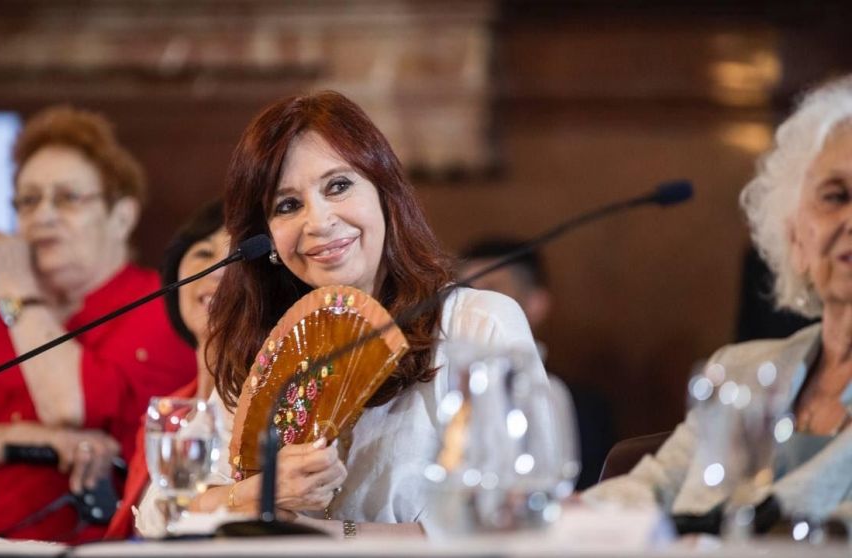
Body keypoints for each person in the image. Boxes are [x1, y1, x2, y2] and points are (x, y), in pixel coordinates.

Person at [135, 90, 546, 538]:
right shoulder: (269, 346)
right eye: (287, 205)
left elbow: (513, 516)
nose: (319, 222)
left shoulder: (476, 323)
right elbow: (161, 507)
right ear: (265, 239)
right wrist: (258, 494)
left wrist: (335, 536)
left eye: (338, 186)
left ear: (385, 193)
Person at [584, 76, 852, 522]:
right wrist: (558, 517)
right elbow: (653, 487)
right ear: (795, 238)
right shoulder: (738, 372)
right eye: (835, 196)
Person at [0, 106, 196, 541]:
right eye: (29, 200)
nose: (43, 216)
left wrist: (17, 292)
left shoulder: (163, 307)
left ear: (122, 216)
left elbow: (68, 405)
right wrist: (27, 438)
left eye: (68, 198)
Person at [104, 200, 230, 540]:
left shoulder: (262, 403)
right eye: (203, 253)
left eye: (234, 256)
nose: (216, 269)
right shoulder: (165, 411)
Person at [459, 239, 615, 490]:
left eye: (491, 291)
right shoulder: (445, 401)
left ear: (536, 304)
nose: (476, 306)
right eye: (466, 292)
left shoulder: (581, 408)